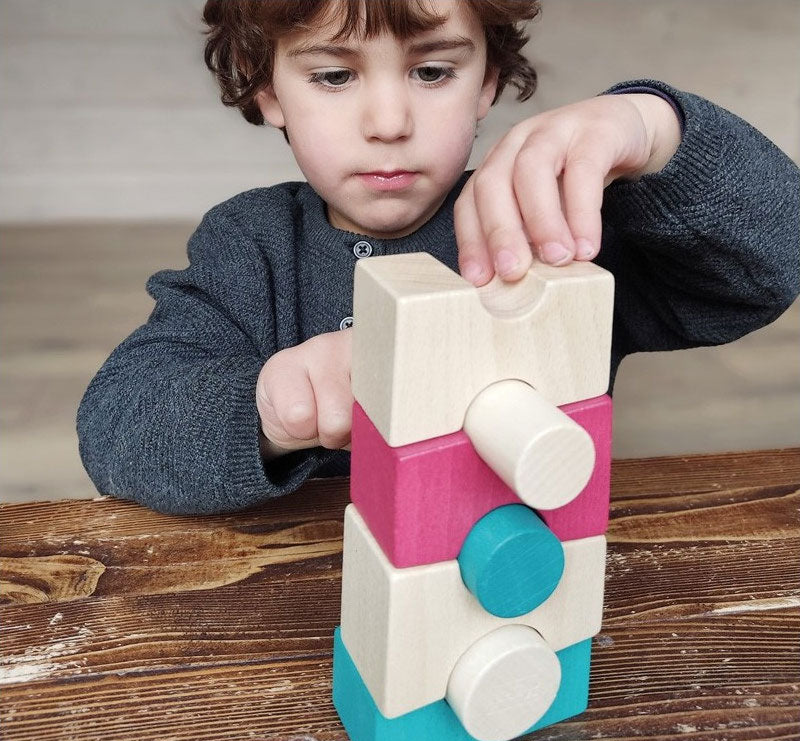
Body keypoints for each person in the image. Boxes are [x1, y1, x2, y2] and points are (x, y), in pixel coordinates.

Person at [77, 0, 799, 515]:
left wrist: (653, 124)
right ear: (269, 90)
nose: (388, 123)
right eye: (334, 76)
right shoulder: (249, 242)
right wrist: (271, 405)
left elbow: (765, 264)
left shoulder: (545, 225)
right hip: (297, 600)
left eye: (432, 73)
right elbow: (116, 428)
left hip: (521, 577)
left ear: (487, 82)